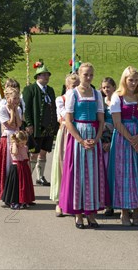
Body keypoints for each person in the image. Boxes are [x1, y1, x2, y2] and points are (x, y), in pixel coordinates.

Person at [59, 62, 108, 229]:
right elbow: (68, 120)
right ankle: (78, 214)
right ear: (79, 75)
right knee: (78, 175)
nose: (88, 77)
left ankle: (91, 214)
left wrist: (97, 138)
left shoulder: (97, 94)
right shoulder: (73, 94)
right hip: (78, 137)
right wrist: (80, 140)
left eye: (91, 75)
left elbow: (101, 120)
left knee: (94, 175)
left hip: (94, 136)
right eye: (85, 74)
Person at [108, 66, 138, 226]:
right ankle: (124, 211)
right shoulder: (117, 96)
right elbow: (116, 122)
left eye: (136, 80)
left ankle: (136, 211)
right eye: (130, 80)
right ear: (124, 80)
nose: (133, 83)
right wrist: (131, 139)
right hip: (123, 138)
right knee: (124, 174)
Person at [22, 61, 58, 186]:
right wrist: (29, 124)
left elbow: (54, 107)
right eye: (44, 75)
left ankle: (40, 176)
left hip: (48, 128)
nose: (46, 77)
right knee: (33, 153)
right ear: (38, 76)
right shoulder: (30, 89)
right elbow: (26, 108)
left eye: (47, 75)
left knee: (43, 152)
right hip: (36, 128)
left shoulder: (51, 90)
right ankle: (27, 178)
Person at [50, 72, 80, 217]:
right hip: (66, 134)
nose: (75, 88)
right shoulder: (61, 99)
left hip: (78, 133)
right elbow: (62, 117)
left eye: (77, 85)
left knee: (76, 167)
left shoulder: (82, 98)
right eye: (73, 85)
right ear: (67, 86)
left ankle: (74, 201)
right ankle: (59, 202)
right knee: (62, 166)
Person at [0, 84, 22, 200]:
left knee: (16, 163)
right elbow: (9, 124)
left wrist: (15, 111)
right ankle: (4, 190)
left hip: (16, 136)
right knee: (6, 163)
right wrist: (12, 112)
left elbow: (18, 124)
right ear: (8, 99)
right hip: (7, 136)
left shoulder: (18, 108)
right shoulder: (3, 109)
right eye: (14, 98)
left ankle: (15, 190)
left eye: (18, 98)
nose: (16, 101)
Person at [2, 130, 35, 209]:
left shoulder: (25, 147)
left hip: (24, 167)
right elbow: (15, 153)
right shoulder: (13, 147)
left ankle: (24, 200)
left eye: (25, 143)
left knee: (25, 185)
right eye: (22, 143)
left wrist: (29, 167)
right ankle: (14, 201)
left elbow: (27, 158)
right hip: (16, 167)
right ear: (17, 141)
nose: (23, 144)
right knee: (16, 186)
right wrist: (14, 143)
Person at [100, 77, 117, 217]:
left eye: (108, 87)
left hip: (117, 138)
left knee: (118, 172)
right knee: (106, 171)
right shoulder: (101, 102)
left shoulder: (118, 100)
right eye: (104, 87)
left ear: (114, 87)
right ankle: (108, 204)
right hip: (104, 138)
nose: (106, 90)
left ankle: (121, 202)